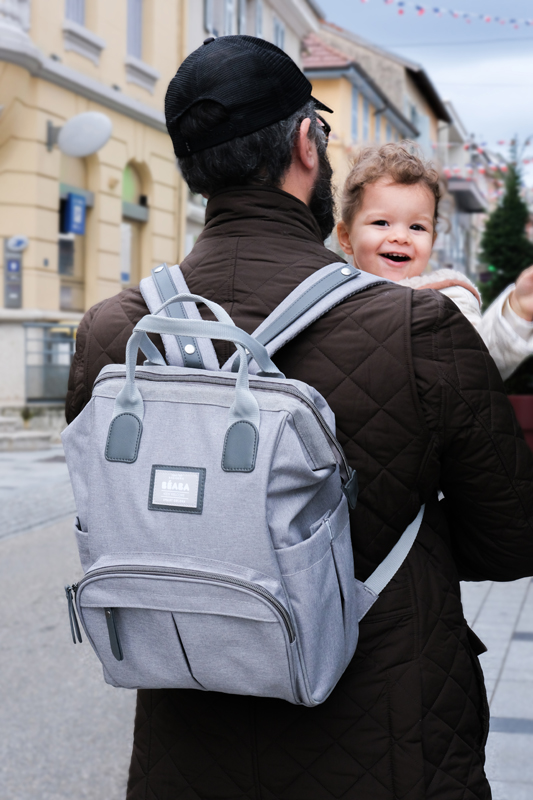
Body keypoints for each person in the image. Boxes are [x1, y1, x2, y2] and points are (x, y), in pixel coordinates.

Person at [65, 35, 533, 800]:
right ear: (305, 145)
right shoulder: (416, 328)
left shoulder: (112, 330)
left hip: (188, 745)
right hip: (388, 736)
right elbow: (511, 538)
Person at [336, 143, 533, 380]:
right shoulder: (329, 297)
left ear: (432, 240)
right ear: (346, 237)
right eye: (381, 223)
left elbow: (482, 360)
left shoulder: (447, 298)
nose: (400, 237)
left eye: (417, 227)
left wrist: (518, 310)